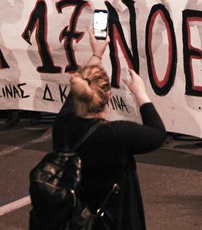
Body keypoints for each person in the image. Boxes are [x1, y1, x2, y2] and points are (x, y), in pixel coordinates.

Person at [51, 30, 166, 230]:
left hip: (75, 219)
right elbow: (158, 134)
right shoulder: (117, 135)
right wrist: (141, 94)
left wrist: (97, 55)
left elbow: (76, 93)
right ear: (108, 95)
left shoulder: (62, 125)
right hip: (111, 221)